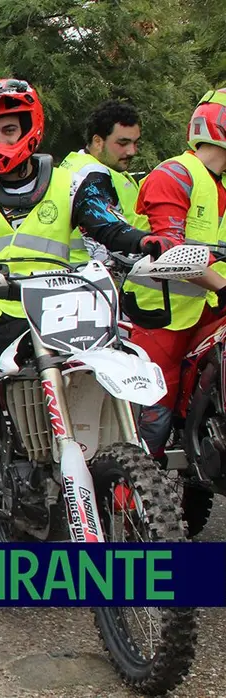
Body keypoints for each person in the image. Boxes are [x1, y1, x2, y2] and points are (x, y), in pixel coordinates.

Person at [0, 79, 163, 542]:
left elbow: (108, 224)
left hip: (63, 312)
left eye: (9, 130)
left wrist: (143, 242)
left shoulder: (73, 184)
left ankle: (135, 499)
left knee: (111, 390)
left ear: (30, 128)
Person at [124, 88, 226, 459]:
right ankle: (133, 495)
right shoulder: (173, 175)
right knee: (155, 408)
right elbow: (171, 248)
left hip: (208, 309)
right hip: (161, 311)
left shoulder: (220, 184)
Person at [60, 99, 148, 231]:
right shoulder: (93, 175)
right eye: (123, 143)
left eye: (136, 143)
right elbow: (120, 236)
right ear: (97, 142)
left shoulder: (76, 164)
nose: (132, 151)